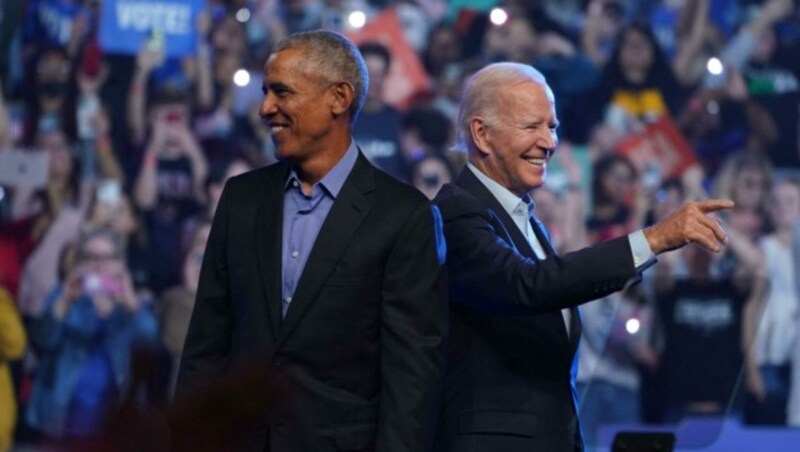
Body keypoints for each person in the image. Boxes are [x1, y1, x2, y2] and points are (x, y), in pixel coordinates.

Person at [432, 62, 732, 451]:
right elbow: (527, 285)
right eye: (532, 126)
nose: (549, 142)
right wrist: (652, 239)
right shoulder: (455, 211)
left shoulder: (526, 221)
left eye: (552, 127)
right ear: (482, 134)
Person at [177, 30, 448, 452]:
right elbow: (207, 344)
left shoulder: (403, 216)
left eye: (281, 92)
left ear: (339, 98)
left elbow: (411, 377)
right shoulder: (241, 199)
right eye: (266, 92)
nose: (266, 108)